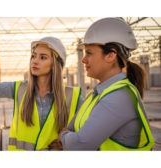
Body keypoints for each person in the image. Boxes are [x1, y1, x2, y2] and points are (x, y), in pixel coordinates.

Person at [0, 36, 82, 150]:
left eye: (43, 57)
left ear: (55, 65)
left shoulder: (74, 96)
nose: (35, 61)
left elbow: (88, 134)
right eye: (33, 56)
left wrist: (69, 141)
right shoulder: (19, 89)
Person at [49, 17, 155, 150]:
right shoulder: (98, 94)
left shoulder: (119, 98)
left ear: (111, 56)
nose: (83, 59)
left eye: (89, 53)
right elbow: (72, 128)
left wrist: (63, 136)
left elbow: (80, 144)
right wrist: (69, 136)